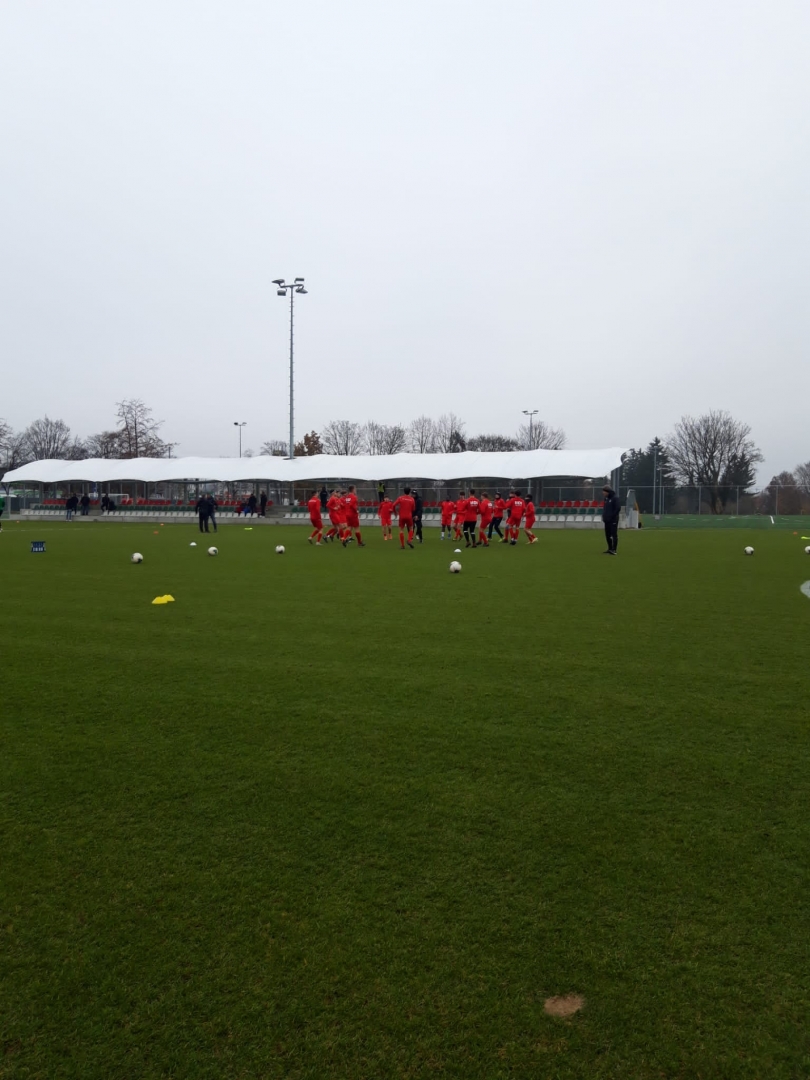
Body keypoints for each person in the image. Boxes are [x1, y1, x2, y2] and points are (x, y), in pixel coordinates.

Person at [602, 485, 621, 554]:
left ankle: (614, 549)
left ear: (608, 492)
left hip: (613, 520)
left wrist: (612, 516)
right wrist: (604, 516)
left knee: (613, 534)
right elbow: (605, 509)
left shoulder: (615, 498)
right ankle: (609, 548)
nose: (603, 493)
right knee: (607, 534)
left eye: (604, 491)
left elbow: (618, 508)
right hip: (607, 520)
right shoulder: (606, 499)